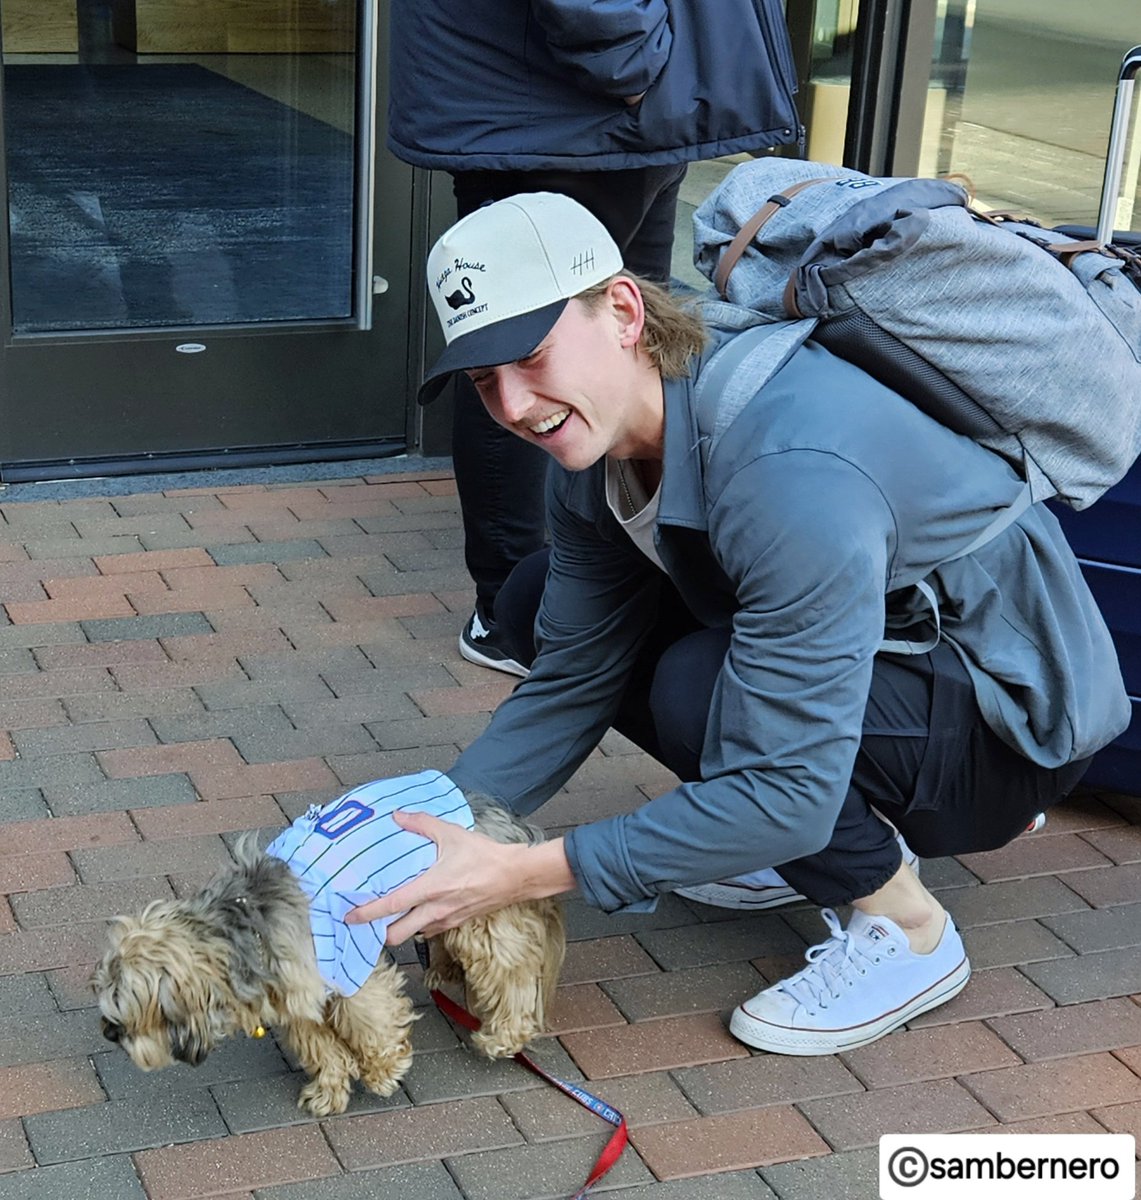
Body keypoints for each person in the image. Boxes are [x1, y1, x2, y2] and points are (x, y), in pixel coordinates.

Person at [346, 193, 1129, 1054]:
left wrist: (517, 872)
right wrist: (424, 830)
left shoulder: (788, 467)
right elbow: (573, 676)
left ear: (620, 310)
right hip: (885, 661)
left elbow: (786, 787)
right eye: (483, 380)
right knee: (536, 600)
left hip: (1004, 726)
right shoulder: (597, 450)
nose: (514, 405)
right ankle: (766, 834)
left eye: (530, 356)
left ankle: (905, 927)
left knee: (701, 698)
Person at [387, 0, 801, 677]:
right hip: (576, 102)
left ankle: (601, 584)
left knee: (625, 345)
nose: (514, 404)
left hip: (594, 103)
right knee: (527, 354)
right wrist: (631, 66)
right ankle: (509, 606)